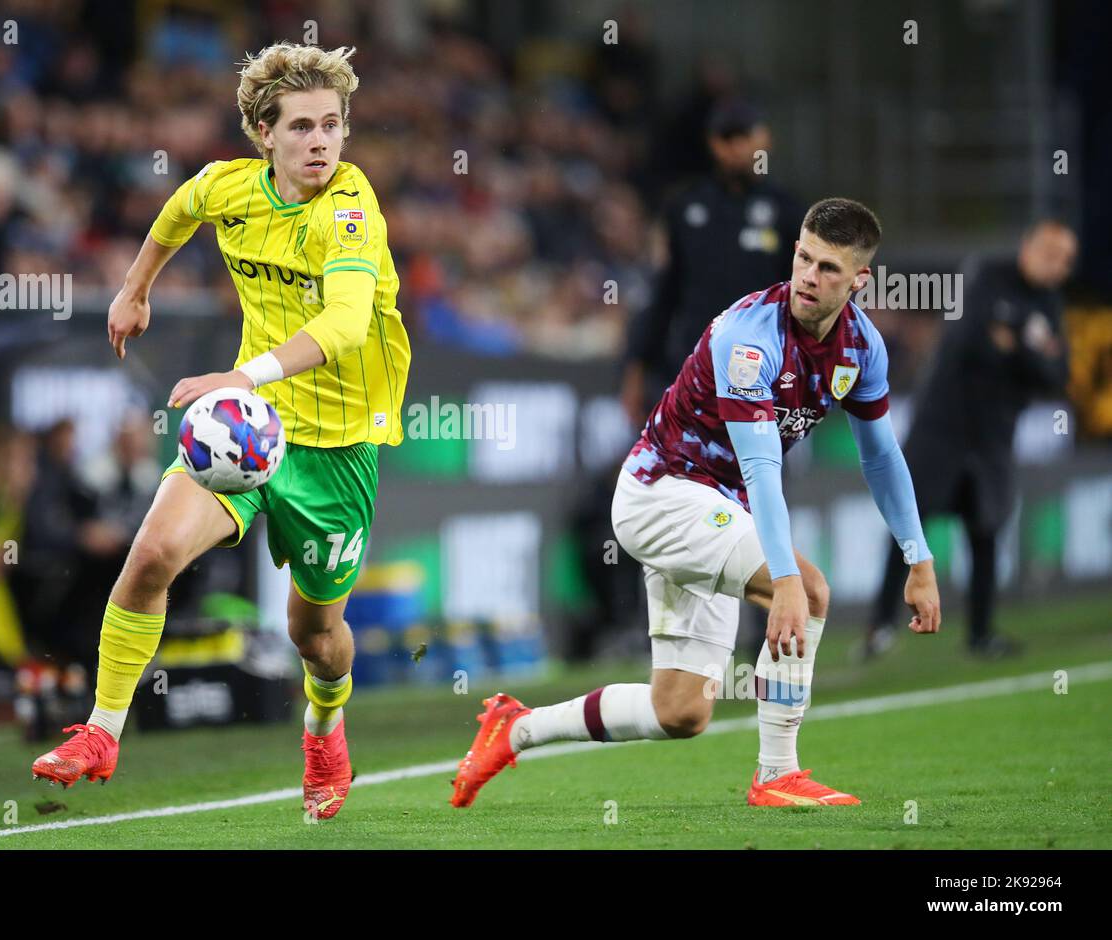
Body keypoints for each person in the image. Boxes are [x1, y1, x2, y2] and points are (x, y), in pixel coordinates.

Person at [451, 199, 941, 809]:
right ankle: (777, 774)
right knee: (809, 590)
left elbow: (881, 457)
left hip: (717, 510)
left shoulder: (863, 348)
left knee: (679, 711)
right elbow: (763, 467)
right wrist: (784, 579)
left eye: (829, 269)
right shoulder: (749, 339)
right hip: (662, 494)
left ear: (859, 280)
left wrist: (917, 557)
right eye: (803, 258)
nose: (809, 278)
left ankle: (515, 728)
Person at [30, 43, 411, 821]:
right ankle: (102, 732)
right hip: (252, 429)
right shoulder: (228, 186)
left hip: (337, 448)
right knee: (152, 554)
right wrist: (135, 290)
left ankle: (325, 722)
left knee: (315, 634)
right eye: (302, 126)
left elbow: (342, 324)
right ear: (262, 135)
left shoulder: (349, 207)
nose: (321, 143)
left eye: (333, 126)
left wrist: (238, 376)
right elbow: (179, 212)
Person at [863, 220, 1077, 660]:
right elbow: (970, 340)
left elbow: (1058, 376)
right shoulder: (985, 274)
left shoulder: (1050, 303)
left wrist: (1013, 342)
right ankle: (881, 626)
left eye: (1066, 260)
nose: (1057, 265)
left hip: (994, 435)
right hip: (941, 427)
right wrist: (1032, 350)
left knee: (986, 531)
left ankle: (980, 634)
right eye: (1050, 253)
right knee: (907, 525)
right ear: (1026, 246)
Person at [620, 99, 802, 427]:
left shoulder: (788, 211)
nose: (736, 147)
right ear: (713, 144)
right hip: (697, 365)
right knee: (691, 466)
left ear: (765, 140)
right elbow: (665, 292)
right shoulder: (686, 208)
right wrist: (637, 366)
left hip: (762, 369)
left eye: (745, 136)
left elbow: (804, 298)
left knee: (757, 467)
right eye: (726, 138)